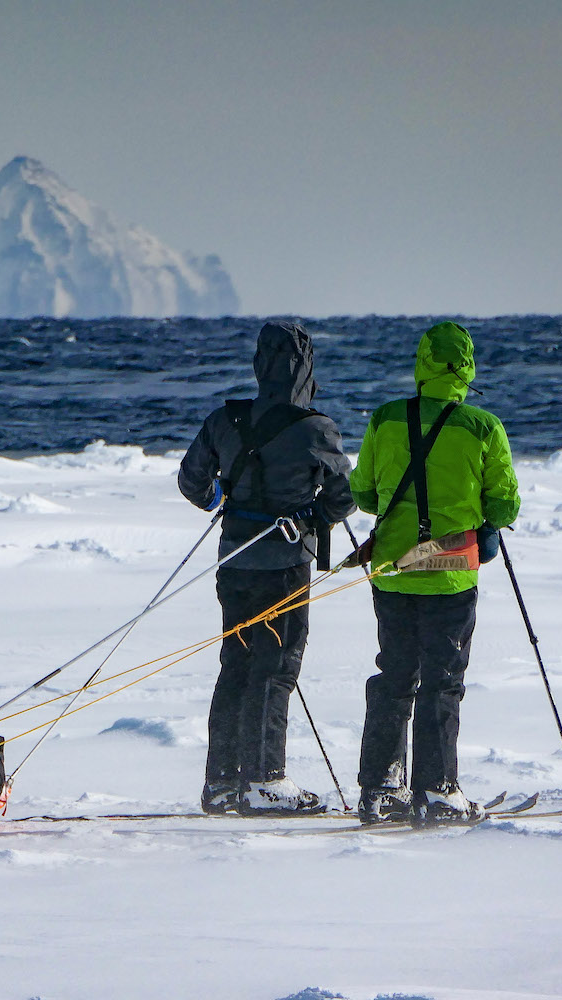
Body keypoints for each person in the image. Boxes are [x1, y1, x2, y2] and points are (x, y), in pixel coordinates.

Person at [178, 321, 354, 815]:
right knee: (274, 670)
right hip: (283, 566)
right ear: (305, 370)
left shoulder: (223, 419)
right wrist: (314, 517)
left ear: (259, 365)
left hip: (233, 563)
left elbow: (191, 481)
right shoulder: (316, 429)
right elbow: (346, 494)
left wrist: (219, 497)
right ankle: (264, 780)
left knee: (236, 666)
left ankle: (222, 781)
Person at [349, 321, 520, 825]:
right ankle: (437, 790)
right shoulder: (483, 426)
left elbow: (362, 493)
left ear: (422, 365)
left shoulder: (385, 418)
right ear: (466, 368)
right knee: (442, 682)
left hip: (392, 573)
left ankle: (381, 788)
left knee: (394, 675)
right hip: (451, 576)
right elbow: (504, 506)